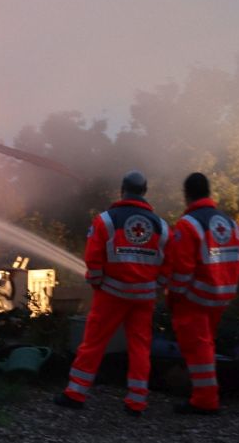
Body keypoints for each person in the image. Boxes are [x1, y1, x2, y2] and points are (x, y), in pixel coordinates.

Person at [55, 171, 169, 417]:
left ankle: (76, 393)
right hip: (144, 297)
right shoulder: (162, 226)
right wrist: (156, 287)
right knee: (140, 347)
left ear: (122, 190)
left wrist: (97, 282)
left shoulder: (106, 220)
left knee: (94, 343)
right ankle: (136, 401)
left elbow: (93, 257)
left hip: (111, 294)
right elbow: (168, 264)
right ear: (144, 192)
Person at [163, 172, 239, 415]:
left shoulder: (188, 225)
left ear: (186, 195)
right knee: (207, 344)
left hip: (197, 297)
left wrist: (174, 297)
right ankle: (204, 393)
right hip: (223, 294)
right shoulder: (230, 223)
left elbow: (182, 269)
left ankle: (205, 400)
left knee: (198, 347)